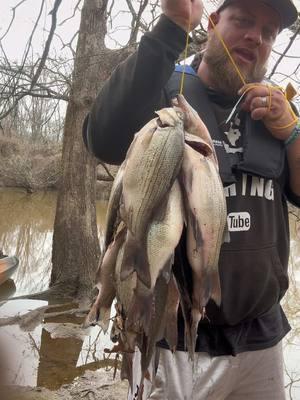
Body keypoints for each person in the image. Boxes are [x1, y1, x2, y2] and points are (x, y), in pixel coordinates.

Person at [83, 0, 300, 398]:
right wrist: (172, 26)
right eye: (244, 21)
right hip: (173, 336)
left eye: (268, 32)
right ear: (214, 23)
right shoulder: (166, 90)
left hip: (262, 336)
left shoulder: (280, 112)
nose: (256, 36)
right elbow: (103, 137)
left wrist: (292, 132)